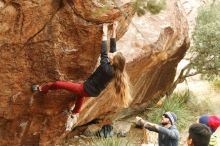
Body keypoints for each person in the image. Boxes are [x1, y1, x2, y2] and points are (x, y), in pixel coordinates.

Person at [32, 21, 131, 131]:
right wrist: (114, 30)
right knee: (79, 96)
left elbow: (103, 52)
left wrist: (104, 33)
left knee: (58, 84)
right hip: (92, 89)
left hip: (86, 88)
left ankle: (42, 88)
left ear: (113, 61)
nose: (112, 53)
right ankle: (75, 114)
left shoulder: (106, 69)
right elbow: (113, 48)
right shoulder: (115, 68)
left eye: (113, 55)